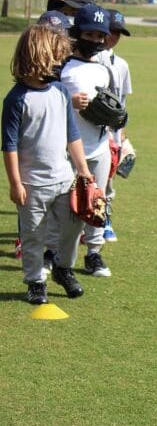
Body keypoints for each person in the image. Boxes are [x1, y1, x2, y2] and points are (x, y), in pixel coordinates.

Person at [2, 25, 92, 304]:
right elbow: (10, 145)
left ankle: (62, 268)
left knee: (73, 227)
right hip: (32, 185)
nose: (60, 62)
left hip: (64, 178)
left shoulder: (61, 92)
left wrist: (84, 170)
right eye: (56, 56)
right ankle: (35, 281)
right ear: (38, 56)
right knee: (32, 236)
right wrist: (16, 183)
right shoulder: (17, 99)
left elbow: (71, 135)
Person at [56, 4, 115, 277]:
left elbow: (115, 110)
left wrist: (118, 122)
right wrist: (68, 100)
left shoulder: (104, 70)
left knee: (98, 203)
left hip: (99, 145)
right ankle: (54, 255)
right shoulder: (63, 67)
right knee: (65, 209)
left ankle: (94, 253)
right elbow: (45, 103)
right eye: (89, 34)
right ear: (78, 33)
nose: (94, 41)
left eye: (99, 36)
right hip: (68, 148)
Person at [96, 9, 133, 243]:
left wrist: (124, 138)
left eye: (119, 33)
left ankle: (104, 220)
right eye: (112, 31)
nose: (115, 37)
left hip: (113, 133)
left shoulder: (121, 65)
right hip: (91, 131)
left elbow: (123, 106)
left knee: (108, 182)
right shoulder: (90, 60)